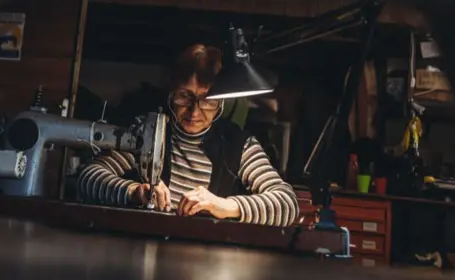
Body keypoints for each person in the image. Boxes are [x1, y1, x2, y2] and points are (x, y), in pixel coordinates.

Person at [77, 44, 299, 227]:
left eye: (207, 100)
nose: (194, 111)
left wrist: (224, 206)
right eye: (185, 97)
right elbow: (87, 179)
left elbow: (287, 205)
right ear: (171, 94)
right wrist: (132, 191)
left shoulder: (240, 146)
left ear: (222, 102)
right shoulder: (147, 133)